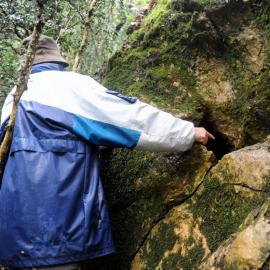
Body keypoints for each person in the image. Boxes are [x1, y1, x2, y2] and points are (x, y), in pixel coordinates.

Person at [0, 35, 214, 270]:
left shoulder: (13, 98)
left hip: (13, 238)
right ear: (58, 61)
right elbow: (125, 117)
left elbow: (44, 145)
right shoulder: (65, 86)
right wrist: (186, 133)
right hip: (57, 232)